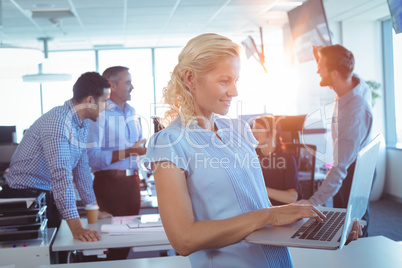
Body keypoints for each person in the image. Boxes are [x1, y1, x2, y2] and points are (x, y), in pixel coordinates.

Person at [145, 33, 363, 268]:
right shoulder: (169, 143)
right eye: (224, 81)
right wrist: (269, 215)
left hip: (277, 261)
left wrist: (324, 226)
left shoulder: (238, 129)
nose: (234, 92)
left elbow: (256, 210)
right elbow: (184, 240)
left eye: (236, 80)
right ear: (190, 78)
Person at [3, 72, 110, 242]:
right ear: (90, 100)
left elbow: (82, 170)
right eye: (105, 101)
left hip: (44, 195)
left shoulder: (81, 124)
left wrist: (93, 208)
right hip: (25, 200)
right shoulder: (58, 122)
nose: (107, 106)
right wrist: (77, 228)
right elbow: (61, 175)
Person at [297, 45, 373, 237]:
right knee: (342, 222)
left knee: (352, 227)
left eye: (320, 66)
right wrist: (322, 54)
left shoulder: (353, 113)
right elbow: (341, 62)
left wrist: (313, 202)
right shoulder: (353, 84)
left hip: (353, 171)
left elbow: (340, 167)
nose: (317, 70)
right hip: (352, 164)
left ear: (335, 73)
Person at [87, 66, 146, 260]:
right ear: (112, 85)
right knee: (112, 245)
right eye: (127, 82)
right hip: (110, 185)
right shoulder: (100, 113)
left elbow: (139, 147)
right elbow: (92, 157)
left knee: (128, 241)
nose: (132, 87)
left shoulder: (132, 111)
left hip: (132, 183)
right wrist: (130, 151)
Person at [251, 115, 299, 205]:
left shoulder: (287, 159)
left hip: (279, 211)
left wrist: (261, 189)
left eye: (258, 128)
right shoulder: (252, 157)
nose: (253, 132)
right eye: (253, 128)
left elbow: (292, 197)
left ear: (272, 132)